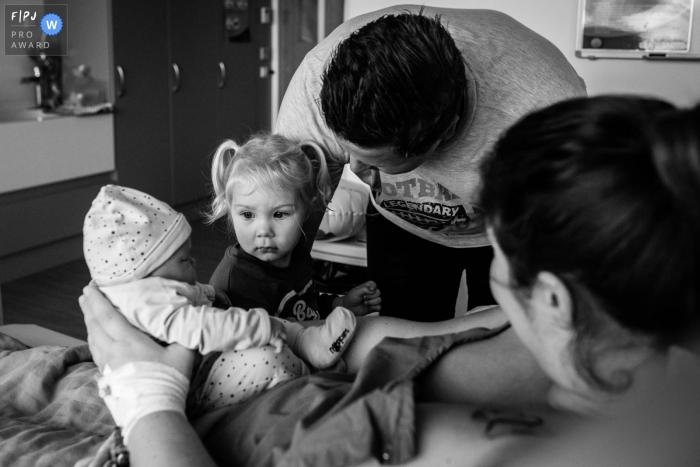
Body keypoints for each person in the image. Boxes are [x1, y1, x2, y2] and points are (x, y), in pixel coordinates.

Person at [80, 95, 700, 467]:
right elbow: (393, 342)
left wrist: (150, 400)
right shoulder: (612, 348)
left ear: (558, 301)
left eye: (497, 260)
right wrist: (327, 334)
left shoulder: (478, 444)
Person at [276, 5, 587, 321]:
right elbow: (281, 218)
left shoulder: (540, 115)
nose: (355, 168)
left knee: (505, 340)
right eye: (348, 152)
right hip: (398, 225)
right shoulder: (316, 80)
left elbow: (561, 262)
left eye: (377, 164)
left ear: (447, 131)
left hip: (503, 231)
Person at [82, 184, 359, 439]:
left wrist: (208, 294)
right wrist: (260, 327)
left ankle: (312, 346)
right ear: (146, 271)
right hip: (192, 385)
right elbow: (200, 325)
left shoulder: (133, 291)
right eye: (183, 259)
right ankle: (315, 371)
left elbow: (187, 299)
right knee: (267, 356)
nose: (193, 261)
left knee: (268, 325)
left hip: (194, 369)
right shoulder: (147, 299)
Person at [207, 133, 382, 321]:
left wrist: (341, 305)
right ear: (230, 210)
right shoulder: (235, 284)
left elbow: (307, 308)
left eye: (279, 214)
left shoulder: (297, 255)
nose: (264, 231)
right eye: (248, 215)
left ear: (307, 208)